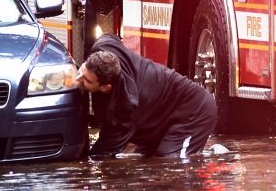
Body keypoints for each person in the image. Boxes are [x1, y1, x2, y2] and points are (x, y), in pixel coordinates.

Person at [76, 34, 218, 158]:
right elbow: (110, 36)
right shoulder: (104, 45)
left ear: (105, 87)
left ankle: (215, 155)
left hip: (196, 111)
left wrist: (85, 170)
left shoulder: (123, 109)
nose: (78, 78)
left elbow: (104, 152)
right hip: (162, 117)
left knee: (171, 164)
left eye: (87, 80)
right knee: (142, 159)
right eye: (82, 70)